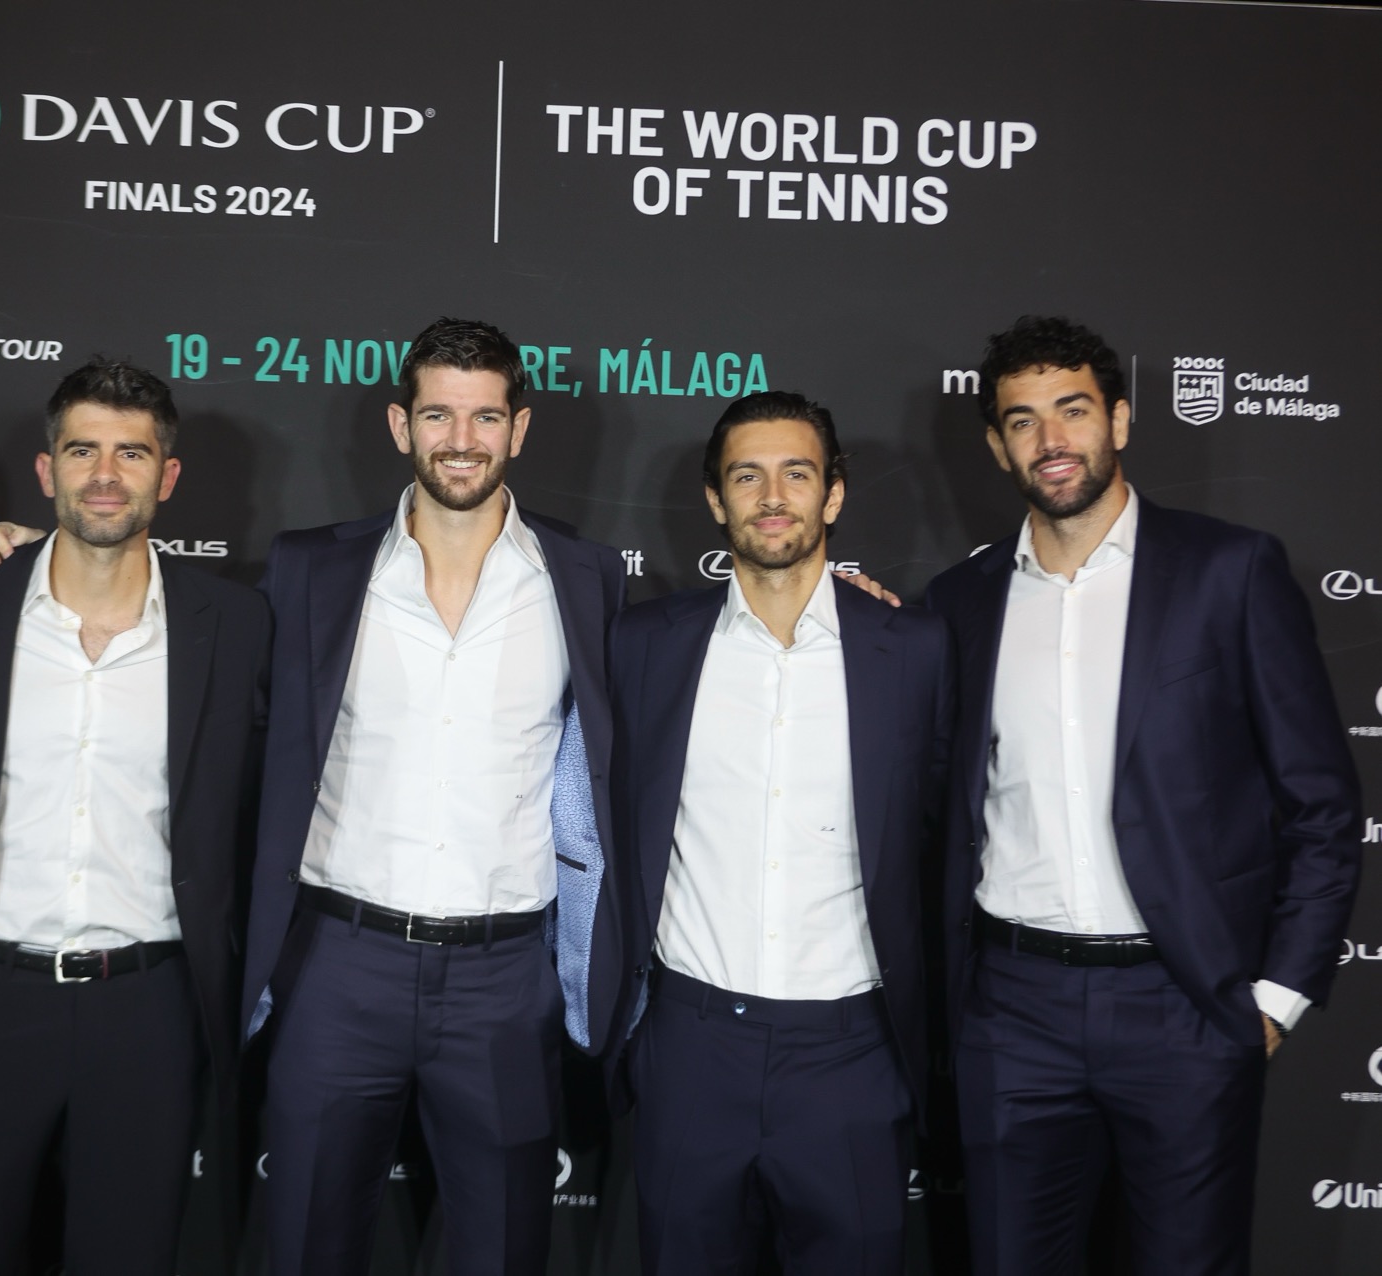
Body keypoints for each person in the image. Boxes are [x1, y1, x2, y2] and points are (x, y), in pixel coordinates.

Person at [924, 316, 1362, 1275]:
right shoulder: (957, 604)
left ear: (1119, 420)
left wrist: (1275, 999)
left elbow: (1323, 807)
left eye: (1072, 411)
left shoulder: (1229, 571)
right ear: (996, 444)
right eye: (1022, 421)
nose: (1051, 440)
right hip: (1013, 1008)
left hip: (1184, 1004)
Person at [237, 317, 625, 1275]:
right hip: (337, 967)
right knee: (305, 1246)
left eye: (485, 416)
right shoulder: (311, 569)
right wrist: (33, 552)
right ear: (398, 424)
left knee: (501, 1252)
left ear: (519, 429)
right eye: (438, 415)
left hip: (505, 980)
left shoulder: (584, 579)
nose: (461, 439)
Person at [0, 358, 270, 1275]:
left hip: (149, 1008)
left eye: (130, 453)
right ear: (45, 469)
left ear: (167, 476)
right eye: (82, 451)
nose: (105, 474)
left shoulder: (237, 625)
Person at [608, 391, 954, 1275]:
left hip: (852, 1055)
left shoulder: (912, 650)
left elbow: (942, 836)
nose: (771, 496)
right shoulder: (643, 644)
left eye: (796, 474)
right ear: (714, 499)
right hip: (690, 1047)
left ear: (831, 495)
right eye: (746, 476)